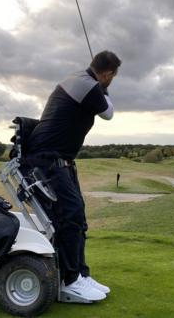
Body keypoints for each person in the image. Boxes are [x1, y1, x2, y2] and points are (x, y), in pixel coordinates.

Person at [25, 50, 121, 302]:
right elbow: (109, 113)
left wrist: (103, 89)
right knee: (68, 217)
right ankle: (70, 281)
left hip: (59, 162)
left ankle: (80, 273)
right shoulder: (87, 85)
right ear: (108, 73)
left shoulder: (82, 80)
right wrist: (104, 89)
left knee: (77, 217)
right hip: (45, 161)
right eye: (113, 77)